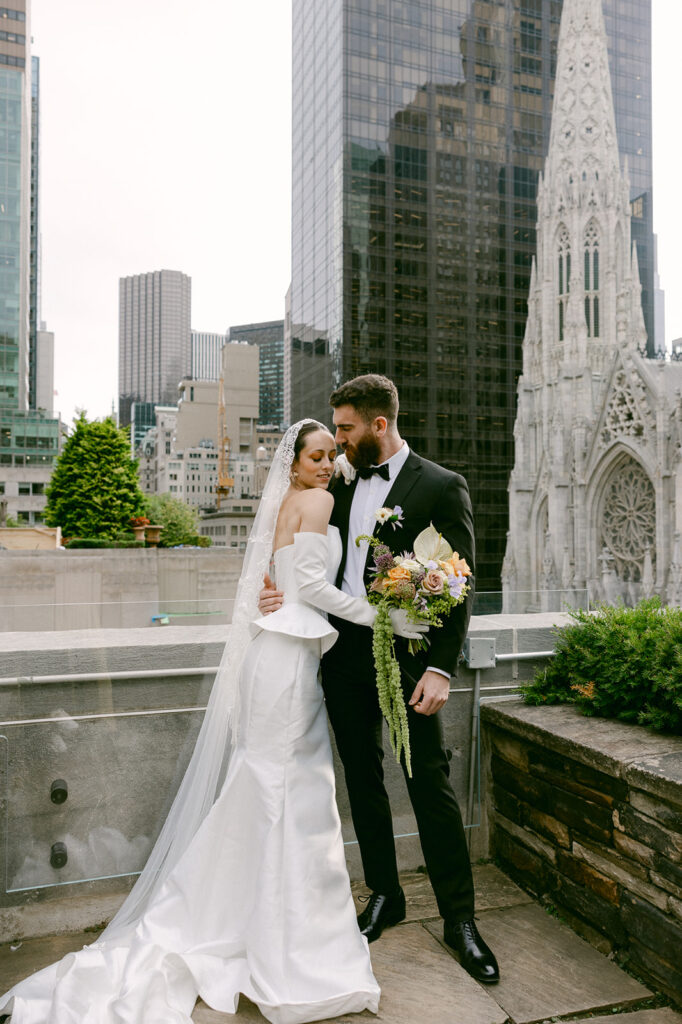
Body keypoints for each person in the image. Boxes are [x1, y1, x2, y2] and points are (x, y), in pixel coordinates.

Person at [0, 419, 427, 1024]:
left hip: (273, 653)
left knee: (270, 781)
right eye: (317, 455)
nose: (328, 464)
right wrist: (386, 620)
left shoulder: (284, 502)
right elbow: (312, 586)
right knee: (289, 786)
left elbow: (277, 581)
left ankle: (242, 912)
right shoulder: (320, 500)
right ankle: (284, 939)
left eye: (333, 454)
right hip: (288, 664)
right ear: (296, 463)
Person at [259, 376, 499, 985]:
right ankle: (385, 894)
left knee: (429, 785)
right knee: (362, 783)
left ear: (379, 425)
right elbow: (302, 549)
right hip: (341, 657)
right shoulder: (336, 479)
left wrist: (443, 666)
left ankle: (461, 920)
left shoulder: (443, 486)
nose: (336, 440)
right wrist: (275, 584)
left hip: (413, 664)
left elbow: (462, 582)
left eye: (344, 428)